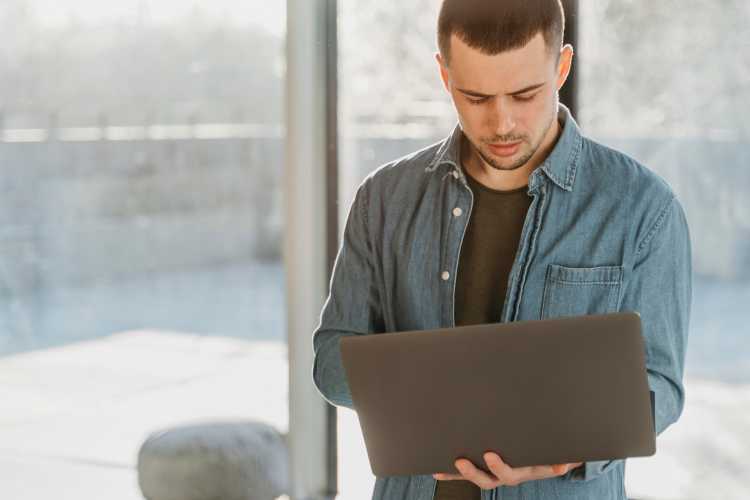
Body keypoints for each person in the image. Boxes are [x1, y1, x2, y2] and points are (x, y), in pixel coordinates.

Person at [312, 0, 692, 498]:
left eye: (525, 94)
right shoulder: (383, 200)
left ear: (562, 68)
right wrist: (436, 389)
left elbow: (660, 389)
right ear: (445, 77)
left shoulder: (644, 208)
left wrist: (566, 449)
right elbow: (330, 361)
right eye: (476, 96)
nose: (502, 122)